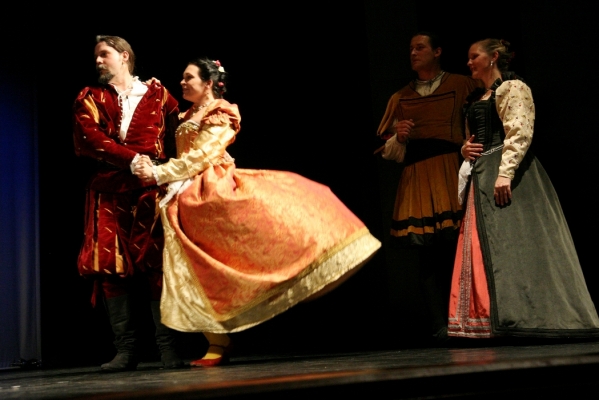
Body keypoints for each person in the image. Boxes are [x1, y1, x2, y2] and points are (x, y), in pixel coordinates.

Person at [134, 57, 382, 366]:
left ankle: (231, 328)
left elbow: (204, 154)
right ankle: (217, 339)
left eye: (188, 77)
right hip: (183, 190)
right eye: (182, 78)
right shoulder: (186, 113)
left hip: (211, 187)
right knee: (195, 266)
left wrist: (161, 172)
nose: (182, 82)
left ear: (208, 83)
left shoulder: (221, 111)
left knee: (229, 254)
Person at [449, 38, 599, 338]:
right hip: (481, 175)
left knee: (517, 246)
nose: (469, 62)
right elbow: (471, 137)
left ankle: (529, 316)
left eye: (474, 56)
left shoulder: (513, 88)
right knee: (489, 244)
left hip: (508, 173)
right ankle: (485, 320)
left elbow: (519, 131)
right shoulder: (477, 97)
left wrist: (505, 173)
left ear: (493, 57)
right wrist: (465, 149)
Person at [73, 36, 183, 371]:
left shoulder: (159, 94)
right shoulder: (90, 97)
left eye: (104, 54)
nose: (98, 61)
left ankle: (168, 349)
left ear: (124, 56)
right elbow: (89, 138)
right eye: (96, 56)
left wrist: (171, 171)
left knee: (157, 267)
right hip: (109, 189)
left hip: (151, 188)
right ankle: (126, 350)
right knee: (109, 267)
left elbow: (180, 132)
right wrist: (131, 159)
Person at [376, 32, 480, 341]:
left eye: (420, 47)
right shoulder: (400, 98)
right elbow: (386, 149)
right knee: (427, 254)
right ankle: (439, 323)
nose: (413, 53)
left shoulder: (462, 85)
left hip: (450, 170)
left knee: (459, 248)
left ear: (437, 51)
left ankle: (469, 318)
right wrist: (399, 136)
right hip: (418, 177)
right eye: (410, 48)